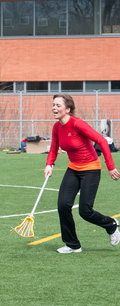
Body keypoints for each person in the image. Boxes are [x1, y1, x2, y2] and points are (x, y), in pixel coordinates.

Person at [44, 94, 120, 254]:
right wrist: (49, 164)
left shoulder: (78, 124)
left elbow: (101, 140)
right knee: (63, 205)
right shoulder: (57, 127)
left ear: (68, 109)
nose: (54, 108)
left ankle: (111, 225)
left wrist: (111, 167)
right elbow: (53, 148)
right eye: (53, 105)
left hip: (91, 169)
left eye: (58, 105)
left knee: (85, 211)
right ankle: (72, 244)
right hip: (73, 168)